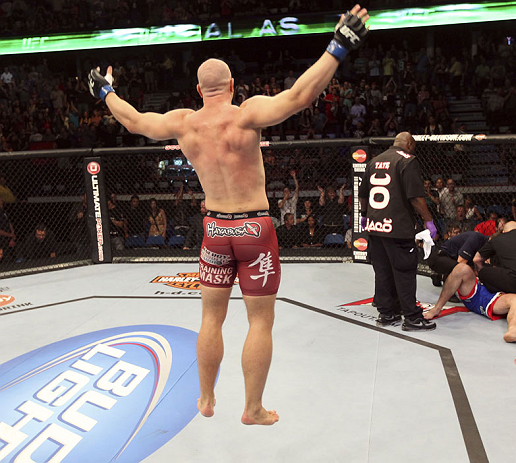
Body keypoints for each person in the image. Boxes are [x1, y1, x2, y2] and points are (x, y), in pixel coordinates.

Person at [88, 4, 369, 425]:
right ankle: (252, 408)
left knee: (210, 317)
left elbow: (134, 122)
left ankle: (206, 399)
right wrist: (338, 47)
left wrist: (106, 91)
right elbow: (300, 97)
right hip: (254, 227)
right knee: (260, 321)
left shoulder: (185, 123)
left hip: (215, 228)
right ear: (232, 86)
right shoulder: (246, 113)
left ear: (199, 90)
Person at [358, 132, 437, 331]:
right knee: (405, 271)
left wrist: (365, 215)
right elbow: (416, 197)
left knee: (382, 271)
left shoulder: (374, 161)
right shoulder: (408, 161)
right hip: (397, 228)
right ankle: (411, 317)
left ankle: (386, 314)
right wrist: (428, 220)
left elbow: (363, 194)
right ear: (409, 144)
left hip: (375, 227)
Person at [422, 263, 516, 343]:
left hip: (497, 297)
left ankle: (512, 330)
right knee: (461, 268)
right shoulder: (483, 244)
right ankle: (437, 308)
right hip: (477, 290)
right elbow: (476, 260)